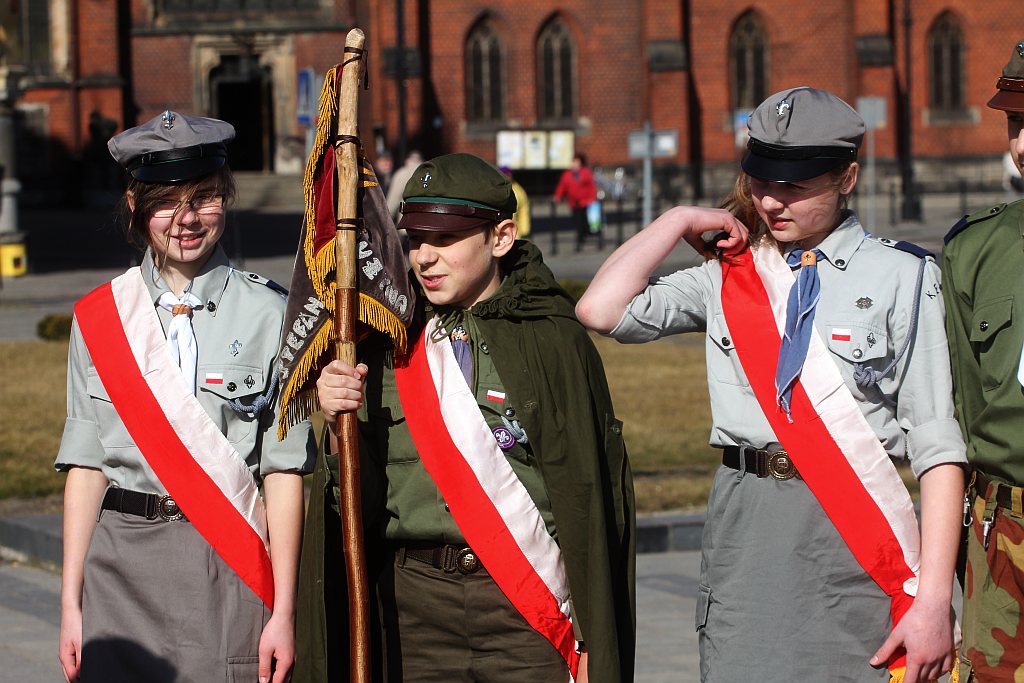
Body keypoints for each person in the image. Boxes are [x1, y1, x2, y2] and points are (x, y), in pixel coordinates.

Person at [577, 87, 965, 683]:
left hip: (852, 532)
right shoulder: (728, 276)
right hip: (747, 519)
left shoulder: (903, 276)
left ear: (847, 178)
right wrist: (678, 220)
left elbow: (938, 444)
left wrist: (935, 598)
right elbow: (601, 310)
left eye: (793, 185)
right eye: (759, 180)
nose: (769, 200)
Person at [297, 153, 635, 682]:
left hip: (525, 608)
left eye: (446, 239)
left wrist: (595, 634)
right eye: (414, 240)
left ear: (501, 238)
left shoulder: (552, 337)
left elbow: (589, 492)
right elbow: (352, 499)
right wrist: (339, 428)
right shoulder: (383, 341)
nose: (424, 257)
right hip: (411, 607)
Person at [55, 110, 316, 683]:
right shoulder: (99, 317)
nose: (187, 219)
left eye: (204, 197)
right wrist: (70, 601)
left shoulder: (273, 313)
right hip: (118, 565)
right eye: (166, 201)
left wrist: (285, 611)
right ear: (134, 204)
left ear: (227, 197)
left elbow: (283, 470)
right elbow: (86, 462)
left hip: (226, 561)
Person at [941, 38, 1024, 682]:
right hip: (1007, 532)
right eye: (1017, 124)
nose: (1021, 146)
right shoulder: (976, 252)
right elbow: (964, 412)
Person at [554, 153, 598, 251]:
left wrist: (593, 198)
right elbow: (562, 186)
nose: (574, 164)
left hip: (586, 201)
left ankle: (583, 235)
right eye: (573, 161)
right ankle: (580, 236)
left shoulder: (585, 172)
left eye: (576, 161)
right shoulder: (567, 174)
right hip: (573, 203)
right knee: (577, 220)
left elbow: (591, 186)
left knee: (584, 219)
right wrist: (558, 196)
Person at [385, 149, 424, 221]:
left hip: (407, 223)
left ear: (407, 161)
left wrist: (385, 220)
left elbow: (393, 201)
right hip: (427, 224)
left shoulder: (402, 173)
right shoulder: (429, 174)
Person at [500, 165, 531, 238]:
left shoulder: (518, 190)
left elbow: (524, 210)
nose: (507, 176)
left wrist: (525, 229)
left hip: (515, 233)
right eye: (504, 174)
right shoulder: (497, 189)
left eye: (508, 174)